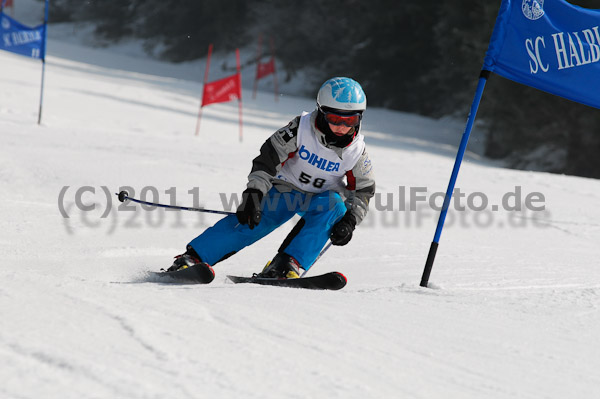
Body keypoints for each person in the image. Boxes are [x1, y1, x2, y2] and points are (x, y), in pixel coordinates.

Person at [168, 77, 376, 279]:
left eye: (350, 120)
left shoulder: (356, 152)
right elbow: (267, 161)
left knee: (335, 208)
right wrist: (254, 193)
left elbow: (363, 191)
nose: (342, 127)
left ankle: (286, 265)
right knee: (256, 220)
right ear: (321, 113)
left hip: (321, 199)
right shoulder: (299, 130)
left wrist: (350, 221)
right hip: (286, 189)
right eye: (335, 119)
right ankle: (194, 257)